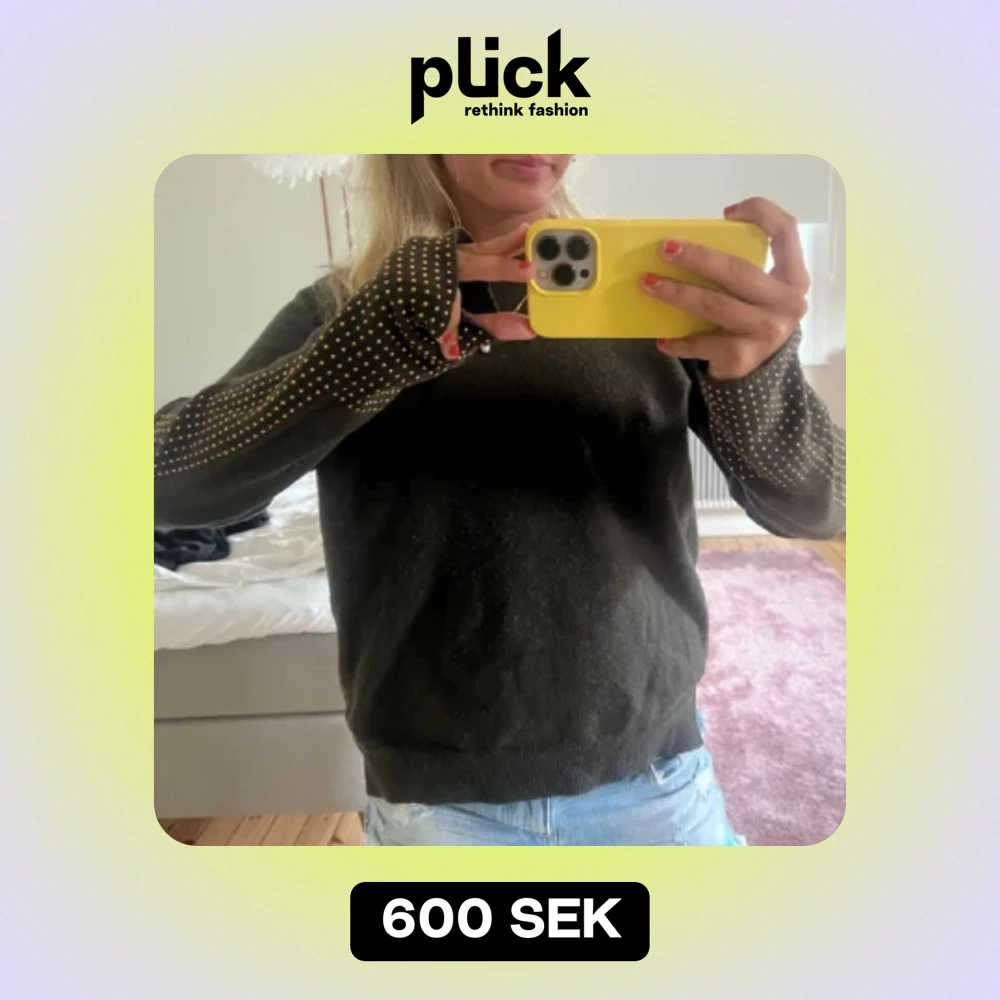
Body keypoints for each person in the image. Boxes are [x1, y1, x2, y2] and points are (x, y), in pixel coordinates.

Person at [154, 154, 845, 846]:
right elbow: (163, 482)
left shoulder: (655, 298)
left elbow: (820, 507)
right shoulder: (349, 309)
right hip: (437, 804)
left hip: (654, 778)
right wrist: (371, 346)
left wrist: (761, 371)